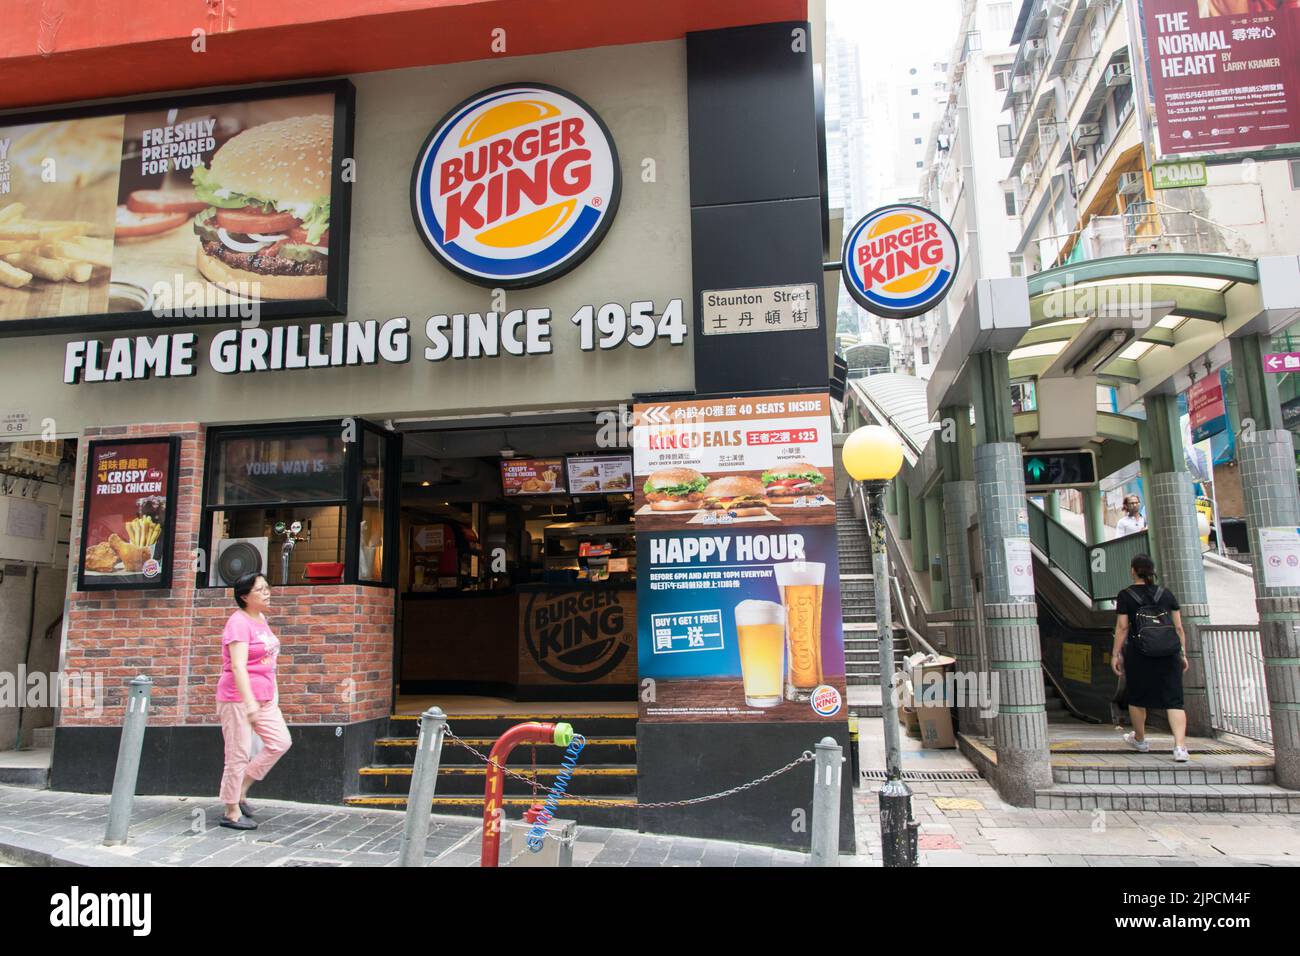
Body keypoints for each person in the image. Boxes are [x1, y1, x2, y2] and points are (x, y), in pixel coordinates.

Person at [216, 572, 291, 829]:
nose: (267, 592)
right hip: (237, 698)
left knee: (280, 742)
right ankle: (231, 810)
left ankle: (241, 789)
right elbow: (238, 666)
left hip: (265, 697)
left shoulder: (261, 619)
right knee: (237, 754)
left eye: (267, 587)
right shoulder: (238, 623)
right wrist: (249, 703)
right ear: (245, 596)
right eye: (260, 590)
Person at [1111, 554, 1190, 762]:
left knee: (1138, 698)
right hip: (1169, 652)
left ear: (1133, 570)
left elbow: (1122, 627)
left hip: (1140, 653)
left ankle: (1140, 739)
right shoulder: (1166, 594)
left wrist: (1115, 654)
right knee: (1174, 701)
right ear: (1151, 571)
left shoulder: (1126, 595)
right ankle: (1180, 747)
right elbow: (1179, 628)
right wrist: (1182, 653)